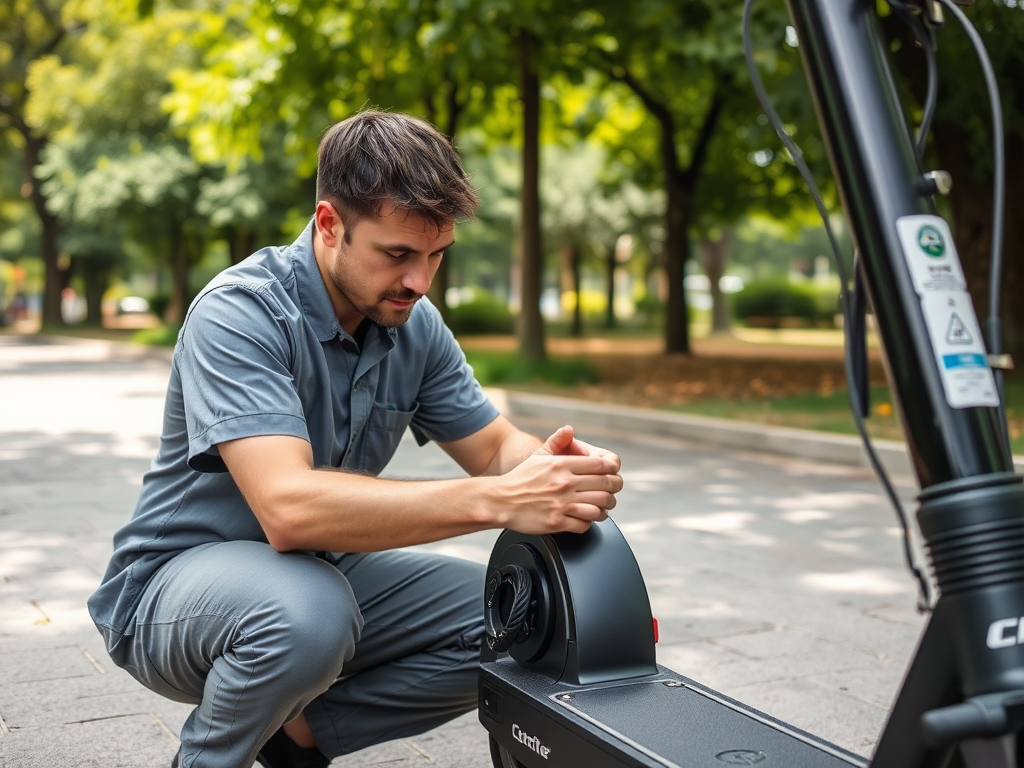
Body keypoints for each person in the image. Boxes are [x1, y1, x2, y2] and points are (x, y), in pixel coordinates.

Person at [87, 110, 623, 768]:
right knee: (306, 615)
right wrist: (497, 500)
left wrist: (555, 468)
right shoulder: (240, 312)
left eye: (435, 255)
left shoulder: (411, 321)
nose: (420, 282)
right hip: (173, 592)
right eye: (397, 254)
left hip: (322, 572)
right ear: (329, 223)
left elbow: (492, 448)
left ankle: (299, 738)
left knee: (523, 616)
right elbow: (290, 510)